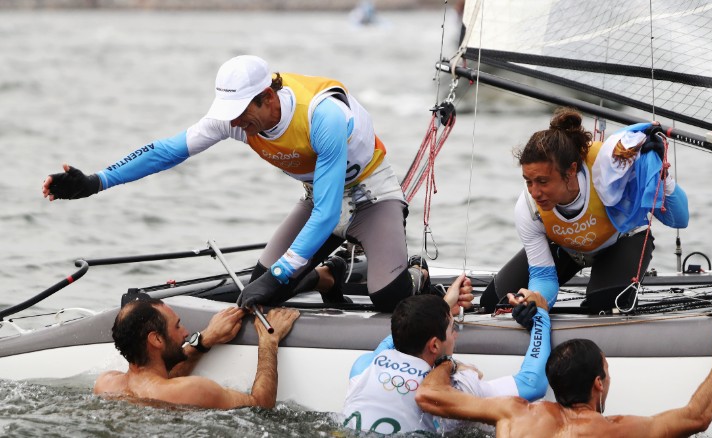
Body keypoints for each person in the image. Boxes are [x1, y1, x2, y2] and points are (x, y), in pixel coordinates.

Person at [42, 55, 430, 312]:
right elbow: (166, 151)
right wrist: (97, 181)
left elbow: (330, 213)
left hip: (370, 197)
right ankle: (328, 274)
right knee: (262, 285)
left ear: (267, 97)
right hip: (319, 198)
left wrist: (283, 273)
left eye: (242, 113)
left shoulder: (322, 115)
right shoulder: (236, 116)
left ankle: (416, 275)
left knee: (388, 302)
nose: (234, 123)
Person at [417, 302, 712, 437]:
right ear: (598, 383)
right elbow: (696, 417)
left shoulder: (512, 413)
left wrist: (446, 359)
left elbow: (430, 395)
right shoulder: (617, 430)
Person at [480, 107, 689, 313]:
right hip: (568, 250)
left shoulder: (611, 168)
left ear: (571, 170)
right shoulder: (528, 208)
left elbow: (678, 219)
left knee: (604, 304)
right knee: (496, 302)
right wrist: (535, 303)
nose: (534, 192)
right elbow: (543, 277)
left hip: (623, 240)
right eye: (528, 181)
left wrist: (661, 173)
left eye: (543, 181)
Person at [342, 274, 551, 435]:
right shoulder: (454, 389)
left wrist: (443, 306)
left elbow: (397, 335)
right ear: (434, 346)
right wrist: (541, 316)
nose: (455, 335)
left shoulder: (364, 367)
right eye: (452, 328)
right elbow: (533, 383)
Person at [94, 297, 299, 409]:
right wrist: (268, 341)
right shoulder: (195, 389)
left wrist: (204, 340)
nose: (185, 332)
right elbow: (261, 406)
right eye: (177, 326)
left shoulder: (105, 384)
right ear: (156, 339)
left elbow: (158, 381)